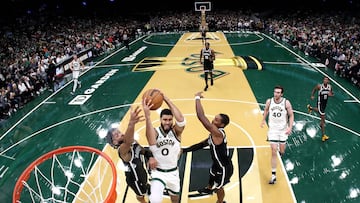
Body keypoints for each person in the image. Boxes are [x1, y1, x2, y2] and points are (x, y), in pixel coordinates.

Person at [182, 91, 233, 203]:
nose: (213, 120)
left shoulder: (218, 134)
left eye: (216, 120)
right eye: (214, 118)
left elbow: (201, 116)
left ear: (222, 125)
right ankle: (208, 188)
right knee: (211, 174)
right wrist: (184, 150)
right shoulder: (213, 136)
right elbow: (201, 144)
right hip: (217, 164)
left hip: (224, 167)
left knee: (219, 187)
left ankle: (220, 202)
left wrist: (197, 98)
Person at [106, 105, 157, 203]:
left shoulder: (133, 142)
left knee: (146, 188)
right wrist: (131, 123)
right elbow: (127, 142)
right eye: (116, 135)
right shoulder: (122, 150)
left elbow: (144, 151)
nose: (119, 133)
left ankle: (145, 190)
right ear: (115, 143)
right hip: (135, 181)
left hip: (142, 173)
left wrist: (150, 158)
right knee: (141, 195)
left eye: (119, 132)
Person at [142, 90, 186, 203]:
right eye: (165, 119)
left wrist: (166, 100)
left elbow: (181, 120)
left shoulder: (176, 132)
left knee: (175, 199)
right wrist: (147, 117)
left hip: (173, 172)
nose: (167, 122)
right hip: (158, 172)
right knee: (155, 199)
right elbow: (150, 139)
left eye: (170, 120)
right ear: (160, 120)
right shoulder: (156, 132)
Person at [260, 85, 294, 184]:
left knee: (282, 151)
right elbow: (266, 110)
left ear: (281, 94)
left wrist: (290, 127)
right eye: (275, 92)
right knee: (274, 150)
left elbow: (291, 115)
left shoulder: (286, 102)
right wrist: (262, 120)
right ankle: (273, 175)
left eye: (278, 92)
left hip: (283, 130)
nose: (276, 94)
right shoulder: (269, 101)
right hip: (273, 130)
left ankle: (281, 151)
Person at [307, 76, 334, 142]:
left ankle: (310, 108)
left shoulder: (330, 87)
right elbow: (314, 89)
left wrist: (331, 95)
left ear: (328, 81)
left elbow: (331, 93)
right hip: (319, 103)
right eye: (324, 79)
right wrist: (312, 95)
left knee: (319, 111)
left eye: (326, 80)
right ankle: (323, 135)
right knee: (323, 120)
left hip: (324, 104)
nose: (325, 80)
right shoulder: (319, 86)